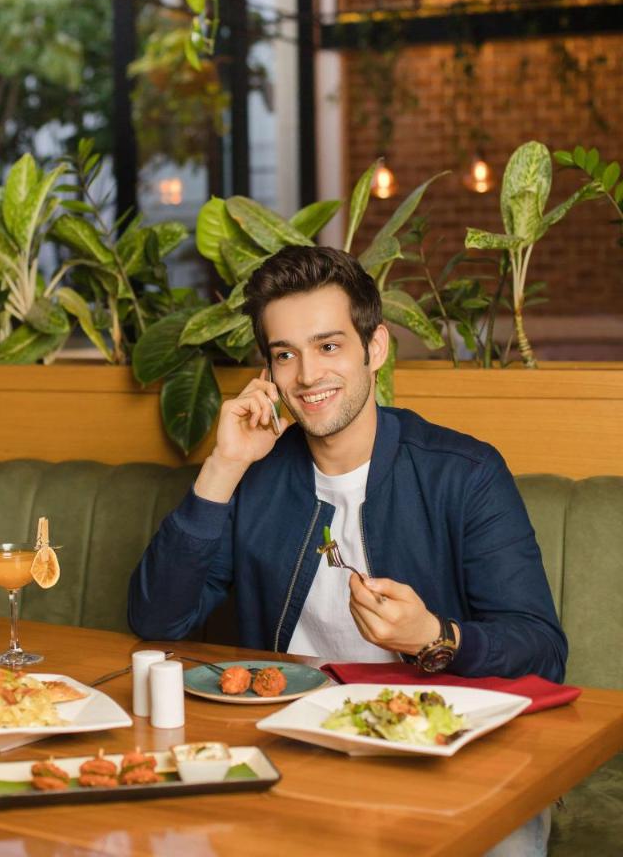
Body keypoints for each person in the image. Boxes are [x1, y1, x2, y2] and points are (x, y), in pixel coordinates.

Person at [128, 244, 565, 856]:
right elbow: (157, 621)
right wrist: (223, 466)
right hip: (297, 743)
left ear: (375, 348)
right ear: (269, 372)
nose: (307, 376)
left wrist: (434, 637)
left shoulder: (464, 473)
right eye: (286, 355)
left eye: (328, 346)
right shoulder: (254, 475)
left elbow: (543, 650)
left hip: (447, 747)